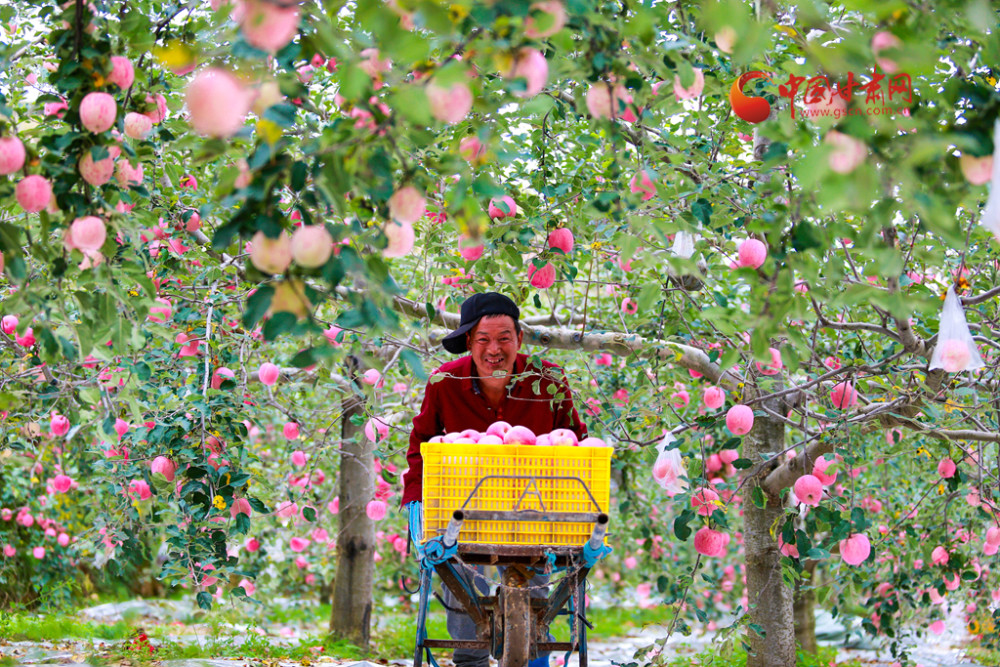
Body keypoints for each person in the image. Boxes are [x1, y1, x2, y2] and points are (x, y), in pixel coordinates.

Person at [401, 291, 589, 667]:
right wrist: (418, 506)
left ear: (519, 338)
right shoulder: (443, 383)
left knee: (537, 562)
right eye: (483, 339)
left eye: (504, 337)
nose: (494, 349)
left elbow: (576, 441)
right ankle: (470, 657)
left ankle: (534, 647)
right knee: (451, 560)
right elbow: (421, 446)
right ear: (469, 342)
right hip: (461, 506)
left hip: (533, 505)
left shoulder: (547, 380)